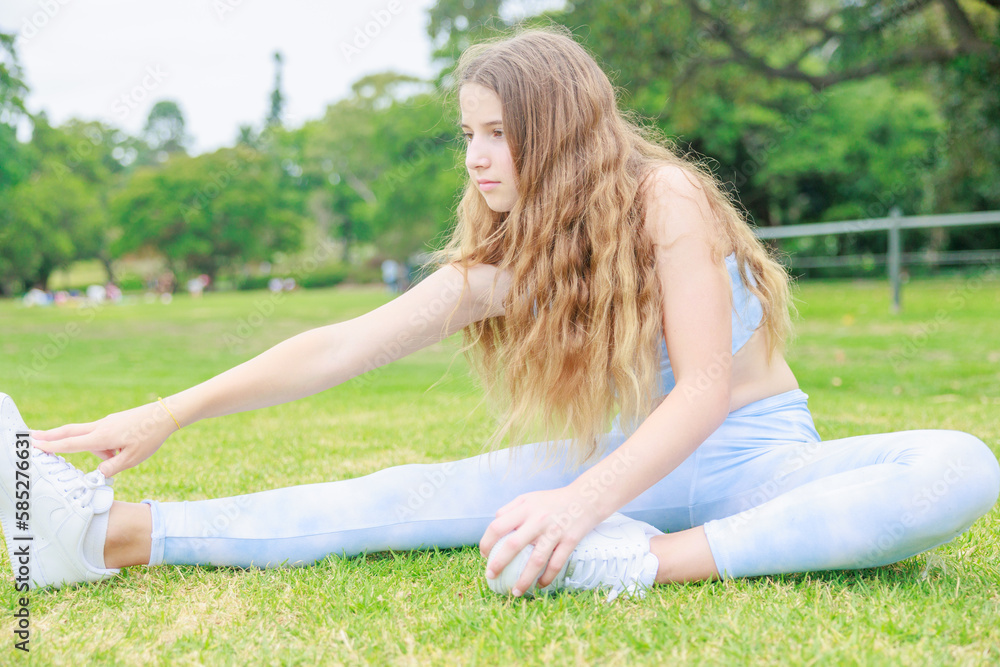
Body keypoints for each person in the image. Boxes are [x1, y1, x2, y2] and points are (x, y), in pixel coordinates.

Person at [2, 29, 998, 599]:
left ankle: (648, 564)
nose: (477, 157)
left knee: (960, 466)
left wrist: (585, 516)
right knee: (391, 500)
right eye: (468, 133)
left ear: (557, 133)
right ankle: (92, 536)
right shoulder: (511, 259)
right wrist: (171, 409)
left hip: (755, 459)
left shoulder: (667, 200)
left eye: (499, 133)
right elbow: (341, 345)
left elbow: (701, 388)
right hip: (616, 465)